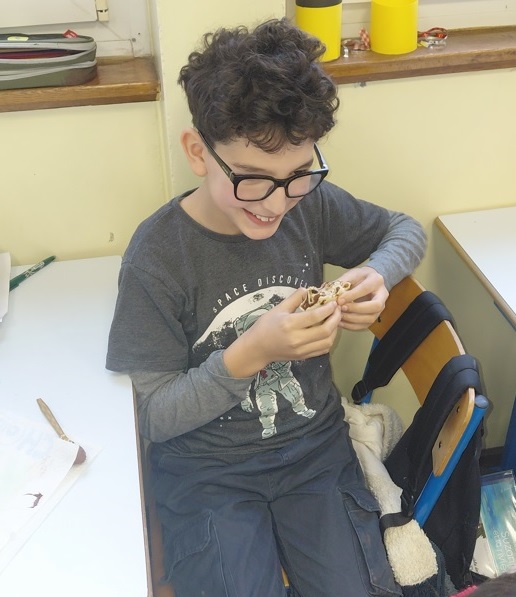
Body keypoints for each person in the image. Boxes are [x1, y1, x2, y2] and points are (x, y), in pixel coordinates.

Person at [106, 17, 427, 597]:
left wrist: (376, 276)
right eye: (253, 179)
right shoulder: (157, 256)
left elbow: (404, 230)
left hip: (314, 454)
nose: (277, 204)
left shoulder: (312, 205)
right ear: (198, 152)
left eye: (299, 175)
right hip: (206, 471)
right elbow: (154, 416)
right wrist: (247, 355)